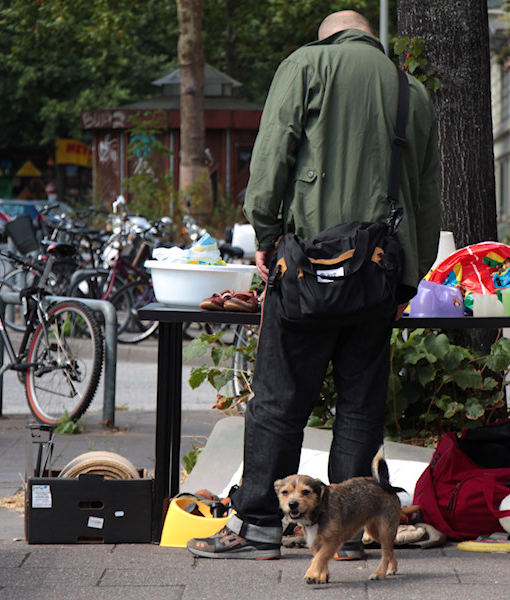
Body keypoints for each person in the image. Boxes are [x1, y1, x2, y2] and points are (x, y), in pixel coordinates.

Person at [188, 10, 441, 560]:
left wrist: (265, 231)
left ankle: (256, 526)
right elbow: (425, 192)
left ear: (327, 38)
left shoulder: (306, 65)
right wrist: (409, 279)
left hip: (303, 268)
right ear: (370, 39)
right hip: (377, 275)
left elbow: (273, 151)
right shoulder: (409, 91)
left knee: (278, 401)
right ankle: (344, 537)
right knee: (359, 404)